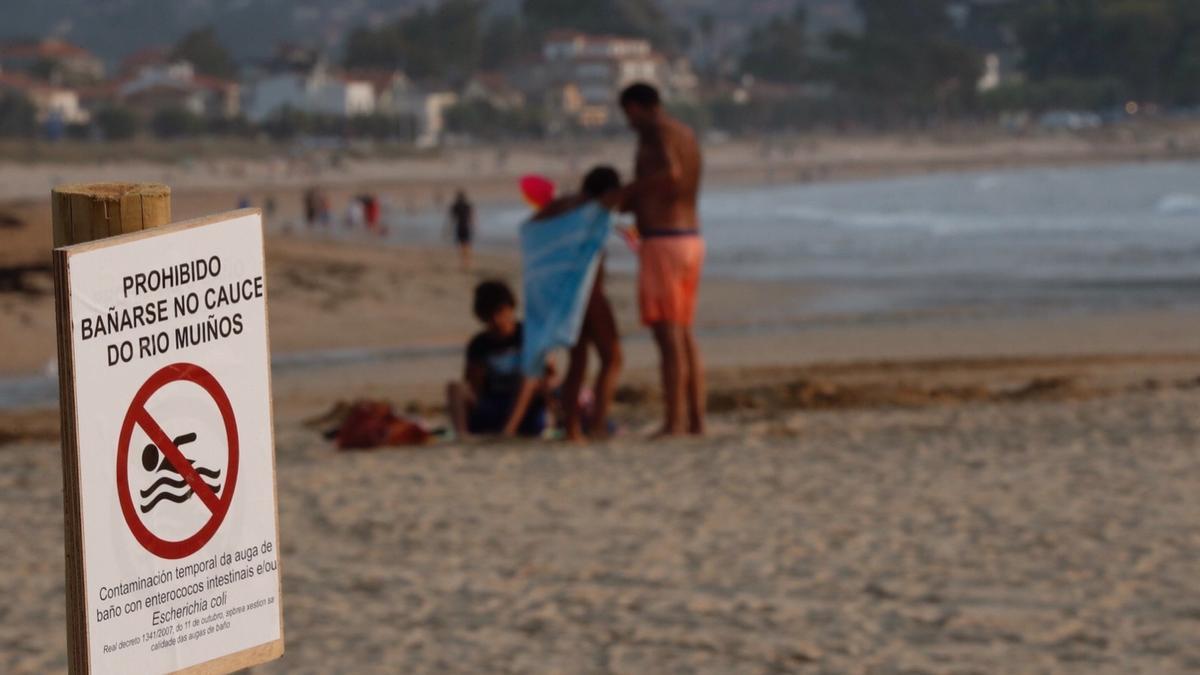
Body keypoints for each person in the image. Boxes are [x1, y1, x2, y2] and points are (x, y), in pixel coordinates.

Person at [605, 82, 706, 436]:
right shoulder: (686, 133)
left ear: (637, 107)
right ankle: (695, 419)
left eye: (628, 114)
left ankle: (674, 421)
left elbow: (670, 174)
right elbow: (677, 183)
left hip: (664, 241)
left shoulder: (656, 132)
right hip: (690, 239)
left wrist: (625, 192)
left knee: (667, 337)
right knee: (683, 334)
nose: (628, 123)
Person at [520, 166, 624, 441]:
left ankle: (573, 429)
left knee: (578, 361)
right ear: (608, 191)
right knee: (612, 359)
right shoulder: (592, 210)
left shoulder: (560, 208)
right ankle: (599, 424)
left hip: (568, 297)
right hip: (590, 294)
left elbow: (534, 230)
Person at [446, 281, 548, 438]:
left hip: (528, 408)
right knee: (455, 388)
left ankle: (509, 431)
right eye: (489, 315)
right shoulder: (479, 344)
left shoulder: (528, 335)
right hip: (493, 405)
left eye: (500, 312)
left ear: (510, 308)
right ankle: (462, 435)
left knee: (531, 379)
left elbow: (547, 374)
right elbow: (474, 386)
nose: (496, 320)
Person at [448, 190, 475, 271]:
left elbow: (452, 219)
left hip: (459, 227)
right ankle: (467, 263)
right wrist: (474, 227)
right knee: (467, 246)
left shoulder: (455, 206)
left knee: (460, 246)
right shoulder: (467, 205)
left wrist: (447, 230)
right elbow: (471, 217)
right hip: (466, 227)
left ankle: (463, 263)